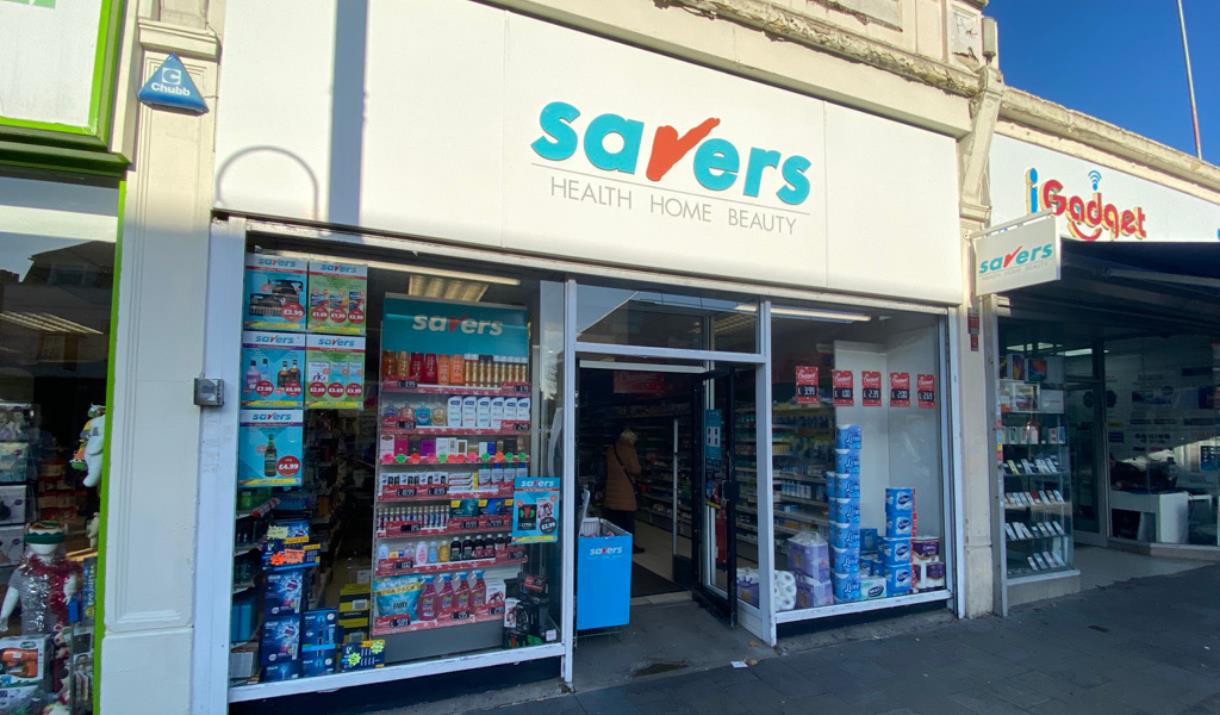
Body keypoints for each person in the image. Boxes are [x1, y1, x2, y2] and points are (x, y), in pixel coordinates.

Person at [604, 427, 644, 553]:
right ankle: (630, 546)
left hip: (611, 490)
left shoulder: (611, 449)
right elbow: (635, 469)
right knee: (628, 521)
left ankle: (614, 542)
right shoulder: (629, 450)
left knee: (615, 519)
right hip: (625, 491)